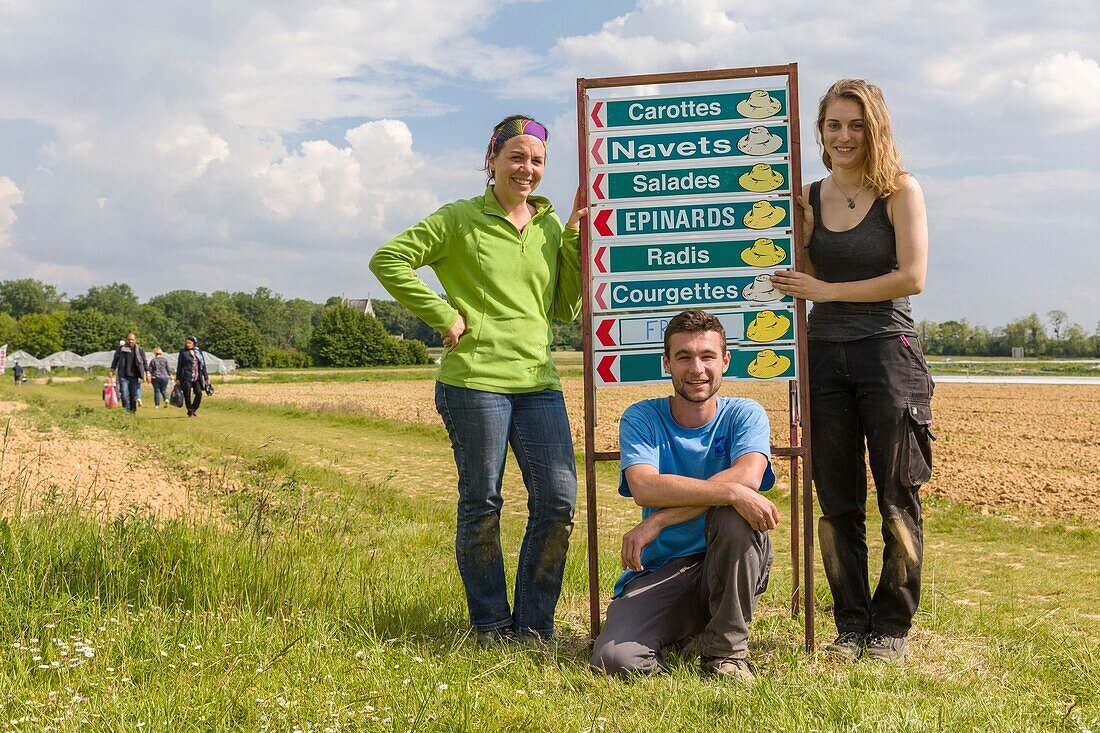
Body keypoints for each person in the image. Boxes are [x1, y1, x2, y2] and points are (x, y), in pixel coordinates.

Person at [369, 115, 586, 646]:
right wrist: (442, 314)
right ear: (491, 161)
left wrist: (579, 242)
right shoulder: (459, 219)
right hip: (474, 382)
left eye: (537, 161)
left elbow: (564, 307)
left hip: (537, 380)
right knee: (483, 501)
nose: (526, 169)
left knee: (558, 500)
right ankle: (490, 624)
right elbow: (388, 259)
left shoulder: (549, 226)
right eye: (515, 156)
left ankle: (533, 625)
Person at [771, 79, 933, 662]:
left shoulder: (899, 190)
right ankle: (850, 623)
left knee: (897, 495)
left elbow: (911, 277)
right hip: (823, 356)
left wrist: (825, 288)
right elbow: (805, 279)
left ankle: (891, 628)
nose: (844, 136)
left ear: (875, 129)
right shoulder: (808, 195)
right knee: (836, 499)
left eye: (856, 125)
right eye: (834, 125)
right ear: (821, 131)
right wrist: (808, 244)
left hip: (888, 353)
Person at [589, 310, 777, 681]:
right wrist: (732, 490)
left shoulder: (745, 413)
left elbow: (749, 475)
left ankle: (727, 655)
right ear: (667, 363)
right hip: (663, 569)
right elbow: (644, 486)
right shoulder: (642, 417)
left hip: (726, 564)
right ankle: (688, 636)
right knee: (615, 660)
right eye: (684, 357)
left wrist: (661, 518)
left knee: (734, 513)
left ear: (725, 361)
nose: (697, 369)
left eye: (707, 356)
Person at [109, 332, 149, 413]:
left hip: (135, 375)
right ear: (126, 340)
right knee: (124, 393)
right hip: (123, 375)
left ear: (135, 340)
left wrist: (147, 372)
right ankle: (126, 410)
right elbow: (115, 359)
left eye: (132, 340)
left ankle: (132, 410)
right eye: (129, 339)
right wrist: (112, 369)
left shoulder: (139, 349)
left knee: (133, 394)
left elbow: (144, 361)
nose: (131, 341)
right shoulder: (121, 349)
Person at [176, 336, 209, 418]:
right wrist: (178, 378)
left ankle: (194, 408)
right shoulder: (183, 352)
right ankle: (190, 410)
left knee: (199, 393)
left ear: (194, 343)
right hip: (186, 377)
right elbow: (179, 366)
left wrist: (206, 378)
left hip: (197, 377)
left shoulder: (198, 352)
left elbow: (203, 365)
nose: (187, 344)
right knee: (187, 395)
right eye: (187, 343)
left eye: (189, 343)